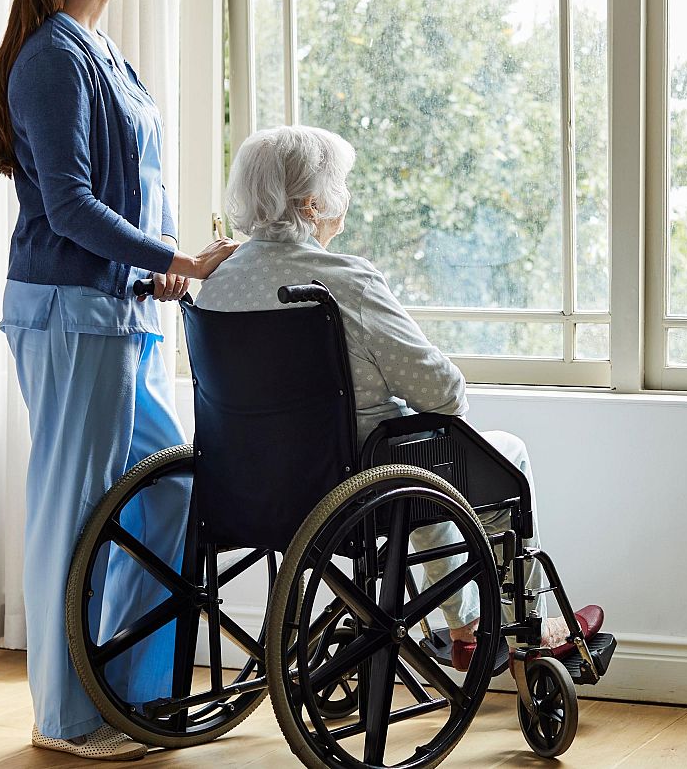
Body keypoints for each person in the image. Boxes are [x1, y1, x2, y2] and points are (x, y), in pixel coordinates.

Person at [0, 0, 236, 760]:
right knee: (75, 509)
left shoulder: (100, 51)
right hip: (68, 316)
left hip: (114, 312)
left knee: (170, 488)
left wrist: (155, 268)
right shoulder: (52, 57)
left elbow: (124, 194)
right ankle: (66, 718)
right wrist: (178, 259)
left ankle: (123, 693)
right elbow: (70, 206)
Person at [195, 125, 603, 670]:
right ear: (312, 203)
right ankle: (508, 625)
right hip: (355, 485)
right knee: (492, 456)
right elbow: (443, 394)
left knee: (415, 450)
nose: (345, 197)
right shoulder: (345, 281)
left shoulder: (218, 283)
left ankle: (465, 624)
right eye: (340, 185)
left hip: (246, 485)